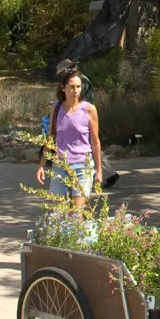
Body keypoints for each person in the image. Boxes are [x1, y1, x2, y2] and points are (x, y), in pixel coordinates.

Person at [36, 64, 102, 211]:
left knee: (76, 214)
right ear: (63, 88)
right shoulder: (56, 107)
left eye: (78, 87)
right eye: (72, 87)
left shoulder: (89, 109)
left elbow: (95, 142)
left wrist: (99, 170)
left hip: (82, 166)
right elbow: (51, 137)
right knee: (58, 213)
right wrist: (41, 165)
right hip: (60, 165)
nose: (76, 91)